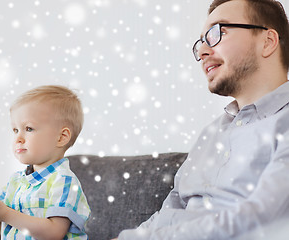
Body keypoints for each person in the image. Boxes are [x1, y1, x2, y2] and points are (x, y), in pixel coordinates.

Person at [114, 0, 289, 239]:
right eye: (201, 41)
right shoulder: (211, 134)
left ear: (267, 42)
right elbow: (169, 211)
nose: (202, 51)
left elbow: (264, 219)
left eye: (219, 32)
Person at [0, 85, 91, 240]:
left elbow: (54, 233)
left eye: (28, 129)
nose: (18, 138)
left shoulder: (64, 181)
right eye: (15, 130)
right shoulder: (16, 182)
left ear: (61, 137)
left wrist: (5, 213)